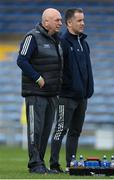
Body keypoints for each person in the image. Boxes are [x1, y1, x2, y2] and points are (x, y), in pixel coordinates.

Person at [17, 8, 63, 174]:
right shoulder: (32, 36)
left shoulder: (56, 40)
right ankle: (35, 164)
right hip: (35, 93)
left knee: (44, 131)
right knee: (35, 130)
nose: (60, 23)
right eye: (57, 20)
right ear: (46, 22)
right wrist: (38, 78)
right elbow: (21, 60)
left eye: (60, 20)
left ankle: (41, 164)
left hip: (52, 94)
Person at [50, 8, 94, 173]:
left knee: (75, 132)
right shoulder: (62, 42)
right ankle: (54, 164)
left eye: (83, 20)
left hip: (82, 97)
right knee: (61, 129)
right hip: (66, 96)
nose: (83, 23)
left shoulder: (84, 43)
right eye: (79, 20)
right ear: (69, 23)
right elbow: (57, 69)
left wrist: (88, 90)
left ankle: (71, 164)